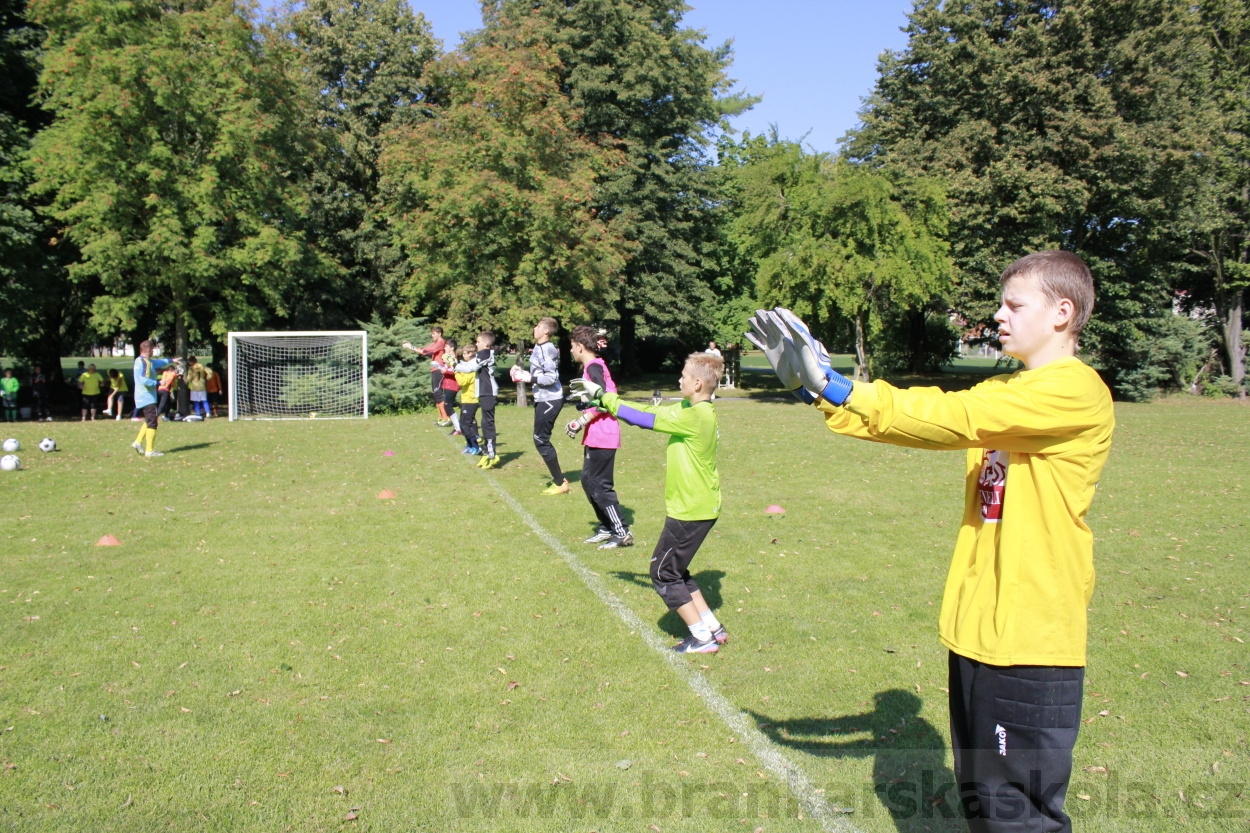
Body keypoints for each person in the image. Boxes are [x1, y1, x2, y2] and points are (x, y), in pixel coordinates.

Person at [748, 250, 1115, 833]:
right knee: (984, 808)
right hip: (979, 632)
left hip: (1029, 640)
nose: (999, 315)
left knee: (1016, 818)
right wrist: (818, 393)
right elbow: (921, 426)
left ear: (1062, 312)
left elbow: (953, 415)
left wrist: (841, 385)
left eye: (1014, 305)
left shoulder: (1073, 390)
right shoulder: (1012, 391)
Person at [568, 352, 728, 654]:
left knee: (663, 573)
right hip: (701, 505)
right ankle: (712, 628)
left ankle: (702, 639)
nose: (678, 379)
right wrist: (604, 401)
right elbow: (640, 409)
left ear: (696, 383)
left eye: (682, 375)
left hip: (690, 509)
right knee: (676, 571)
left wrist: (602, 395)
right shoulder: (695, 409)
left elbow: (643, 418)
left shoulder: (693, 417)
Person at [565, 325, 631, 548]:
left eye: (572, 346)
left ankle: (621, 531)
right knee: (587, 480)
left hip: (604, 433)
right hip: (596, 433)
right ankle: (607, 527)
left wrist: (580, 420)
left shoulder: (593, 367)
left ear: (580, 347)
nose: (571, 350)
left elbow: (604, 400)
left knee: (600, 484)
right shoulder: (592, 367)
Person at [512, 317, 568, 494]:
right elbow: (540, 373)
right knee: (540, 439)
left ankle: (560, 483)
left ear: (545, 331)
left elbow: (551, 378)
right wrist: (523, 373)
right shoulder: (539, 347)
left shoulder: (547, 349)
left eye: (536, 326)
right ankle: (559, 479)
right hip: (542, 398)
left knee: (540, 439)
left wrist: (529, 378)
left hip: (550, 399)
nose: (534, 329)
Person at [458, 331, 499, 469]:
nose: (476, 344)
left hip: (488, 392)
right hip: (483, 392)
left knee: (487, 424)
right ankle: (487, 453)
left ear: (486, 344)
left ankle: (491, 454)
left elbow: (471, 367)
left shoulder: (485, 353)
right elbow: (468, 366)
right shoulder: (482, 354)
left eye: (478, 341)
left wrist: (454, 365)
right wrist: (454, 364)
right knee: (485, 423)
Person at [131, 341, 176, 457]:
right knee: (152, 422)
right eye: (152, 349)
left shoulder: (140, 360)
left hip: (143, 396)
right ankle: (149, 451)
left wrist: (172, 360)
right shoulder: (145, 363)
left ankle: (137, 442)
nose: (153, 352)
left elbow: (157, 363)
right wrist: (158, 382)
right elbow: (143, 380)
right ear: (149, 349)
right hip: (147, 397)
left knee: (150, 419)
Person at [402, 327, 449, 425]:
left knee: (438, 393)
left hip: (439, 370)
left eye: (434, 333)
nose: (432, 335)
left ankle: (446, 418)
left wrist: (411, 347)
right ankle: (441, 418)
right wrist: (412, 347)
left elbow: (427, 352)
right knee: (436, 394)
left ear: (440, 334)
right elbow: (425, 350)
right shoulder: (435, 343)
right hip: (434, 370)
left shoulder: (440, 342)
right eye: (432, 333)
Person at [454, 345, 481, 455]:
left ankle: (476, 445)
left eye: (465, 353)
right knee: (462, 424)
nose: (463, 355)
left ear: (470, 353)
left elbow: (462, 382)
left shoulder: (472, 368)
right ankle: (469, 445)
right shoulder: (466, 366)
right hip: (465, 399)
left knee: (467, 425)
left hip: (471, 400)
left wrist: (456, 372)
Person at [433, 340, 461, 434]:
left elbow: (455, 371)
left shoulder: (454, 358)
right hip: (447, 384)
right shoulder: (447, 358)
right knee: (447, 405)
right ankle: (458, 427)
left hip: (452, 385)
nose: (444, 348)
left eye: (446, 346)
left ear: (452, 348)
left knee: (448, 405)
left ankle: (458, 428)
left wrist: (446, 371)